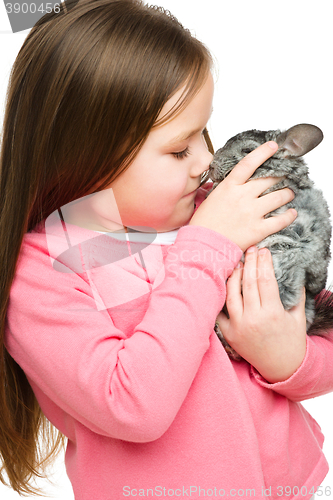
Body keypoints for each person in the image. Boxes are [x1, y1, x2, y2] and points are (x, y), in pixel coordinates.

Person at [0, 0, 331, 498]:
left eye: (203, 132)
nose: (205, 160)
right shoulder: (44, 270)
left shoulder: (213, 211)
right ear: (85, 153)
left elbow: (316, 318)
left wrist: (287, 359)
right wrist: (207, 248)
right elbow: (133, 407)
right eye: (179, 149)